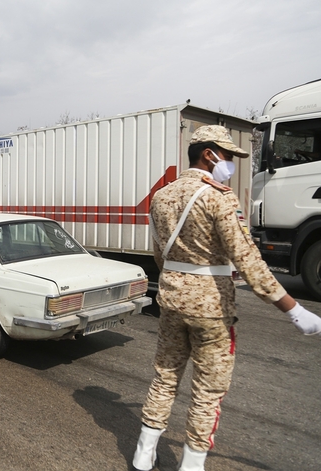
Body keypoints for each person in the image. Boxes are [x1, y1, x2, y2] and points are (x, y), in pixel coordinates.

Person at [132, 125, 321, 471]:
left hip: (172, 301)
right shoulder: (218, 197)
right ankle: (191, 465)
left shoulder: (162, 196)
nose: (230, 163)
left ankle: (143, 455)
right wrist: (293, 309)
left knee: (165, 375)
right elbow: (247, 259)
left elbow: (160, 254)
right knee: (207, 390)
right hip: (211, 309)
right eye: (228, 156)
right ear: (209, 154)